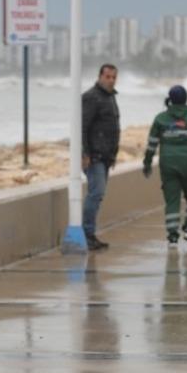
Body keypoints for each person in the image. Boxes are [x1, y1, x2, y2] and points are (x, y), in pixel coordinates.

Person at [143, 85, 187, 245]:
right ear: (186, 99)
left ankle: (172, 235)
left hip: (168, 164)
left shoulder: (161, 118)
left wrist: (147, 162)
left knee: (172, 200)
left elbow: (152, 144)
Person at [81, 63, 120, 250]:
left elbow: (112, 128)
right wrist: (84, 153)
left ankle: (90, 234)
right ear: (100, 76)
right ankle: (87, 234)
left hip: (105, 157)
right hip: (94, 155)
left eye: (114, 77)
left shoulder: (110, 98)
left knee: (98, 195)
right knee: (95, 194)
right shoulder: (91, 97)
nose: (111, 80)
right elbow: (82, 126)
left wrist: (113, 155)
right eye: (108, 77)